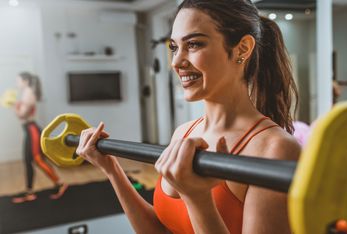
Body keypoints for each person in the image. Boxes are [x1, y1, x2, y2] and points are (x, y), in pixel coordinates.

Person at [76, 0, 300, 233]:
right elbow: (161, 229)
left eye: (193, 44)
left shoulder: (275, 150)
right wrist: (112, 169)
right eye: (174, 47)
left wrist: (197, 198)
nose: (176, 62)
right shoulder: (184, 132)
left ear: (242, 48)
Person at [12, 72, 68, 203]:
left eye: (18, 80)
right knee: (28, 160)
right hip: (29, 129)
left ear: (25, 81)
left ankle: (59, 184)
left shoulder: (28, 92)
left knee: (37, 159)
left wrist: (15, 107)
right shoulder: (27, 92)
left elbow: (22, 114)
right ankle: (30, 191)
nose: (17, 83)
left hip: (32, 130)